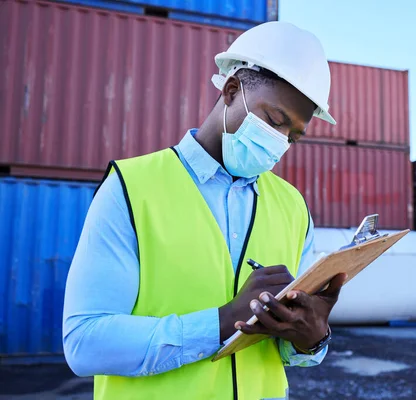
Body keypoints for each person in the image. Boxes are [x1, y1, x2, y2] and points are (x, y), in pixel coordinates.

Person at [62, 21, 345, 400]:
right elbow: (84, 342)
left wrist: (311, 337)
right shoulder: (131, 187)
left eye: (292, 136)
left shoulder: (294, 207)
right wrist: (224, 321)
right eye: (274, 121)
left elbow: (287, 354)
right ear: (231, 91)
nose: (279, 143)